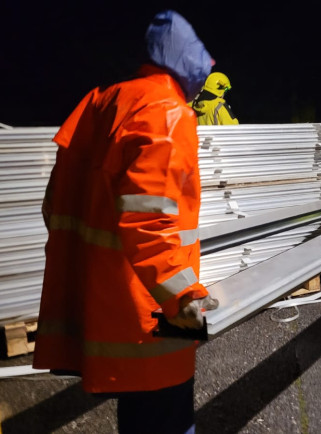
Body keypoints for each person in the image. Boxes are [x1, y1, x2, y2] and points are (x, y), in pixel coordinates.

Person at [33, 10, 218, 433]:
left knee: (138, 419)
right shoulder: (167, 111)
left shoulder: (100, 100)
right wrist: (184, 298)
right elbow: (148, 222)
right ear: (187, 60)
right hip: (152, 315)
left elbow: (54, 206)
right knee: (166, 418)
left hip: (104, 310)